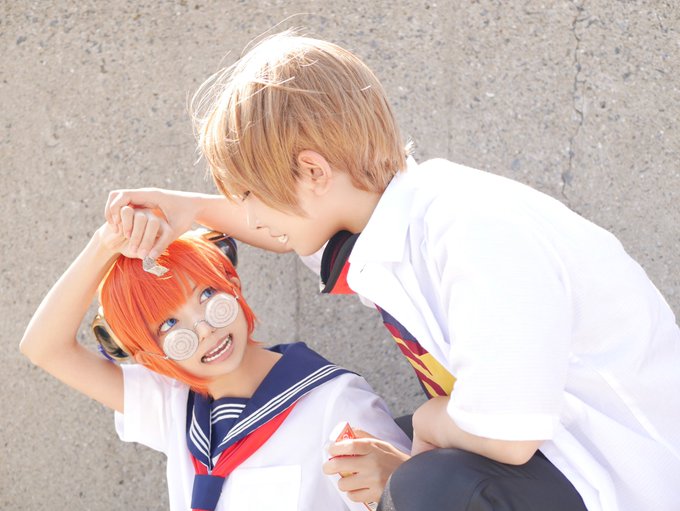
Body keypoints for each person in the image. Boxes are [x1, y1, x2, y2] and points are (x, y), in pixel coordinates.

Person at [104, 32, 680, 511]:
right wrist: (188, 208)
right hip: (554, 462)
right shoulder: (388, 230)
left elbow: (507, 433)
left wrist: (422, 434)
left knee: (428, 485)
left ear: (313, 172)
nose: (249, 218)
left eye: (251, 195)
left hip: (620, 479)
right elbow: (285, 232)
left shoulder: (471, 228)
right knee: (371, 454)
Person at [19, 207, 411, 511]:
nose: (204, 328)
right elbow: (45, 347)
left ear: (232, 285)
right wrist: (106, 243)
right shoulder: (174, 404)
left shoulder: (335, 403)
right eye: (169, 324)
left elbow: (407, 498)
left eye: (206, 295)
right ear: (149, 356)